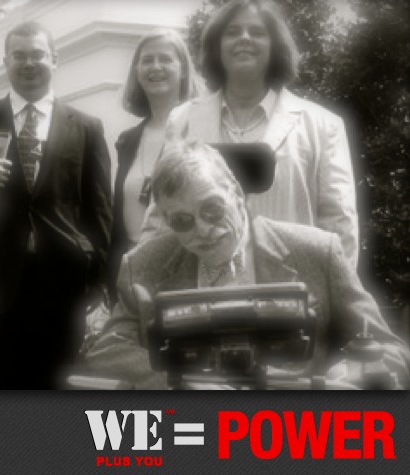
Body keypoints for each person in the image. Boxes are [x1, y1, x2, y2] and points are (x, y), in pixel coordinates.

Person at [83, 141, 409, 389]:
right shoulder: (143, 265)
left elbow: (390, 349)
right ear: (166, 221)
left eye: (212, 209)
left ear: (237, 195)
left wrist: (355, 370)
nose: (203, 229)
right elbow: (106, 354)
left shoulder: (317, 252)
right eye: (182, 221)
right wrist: (179, 377)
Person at [0, 22, 113, 389]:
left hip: (63, 282)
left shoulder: (87, 127)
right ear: (6, 62)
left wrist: (98, 277)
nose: (28, 63)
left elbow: (100, 209)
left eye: (37, 55)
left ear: (55, 60)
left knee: (54, 380)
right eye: (19, 56)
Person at [140, 0, 359, 269]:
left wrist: (333, 294)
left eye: (257, 32)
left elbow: (340, 224)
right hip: (200, 296)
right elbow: (159, 215)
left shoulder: (322, 125)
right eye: (232, 32)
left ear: (275, 47)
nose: (244, 38)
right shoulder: (182, 121)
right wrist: (145, 285)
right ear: (217, 47)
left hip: (294, 293)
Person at [107, 29, 201, 303]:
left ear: (182, 69)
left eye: (165, 59)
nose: (155, 67)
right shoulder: (128, 140)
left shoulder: (201, 127)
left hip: (185, 271)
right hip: (135, 272)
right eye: (147, 60)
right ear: (137, 71)